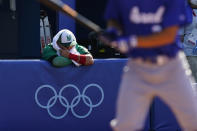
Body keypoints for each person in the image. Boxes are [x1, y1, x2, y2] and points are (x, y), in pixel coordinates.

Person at [101, 0, 197, 130]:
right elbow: (114, 21)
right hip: (137, 67)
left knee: (194, 121)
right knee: (125, 125)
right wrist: (114, 32)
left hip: (172, 67)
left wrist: (133, 42)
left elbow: (168, 35)